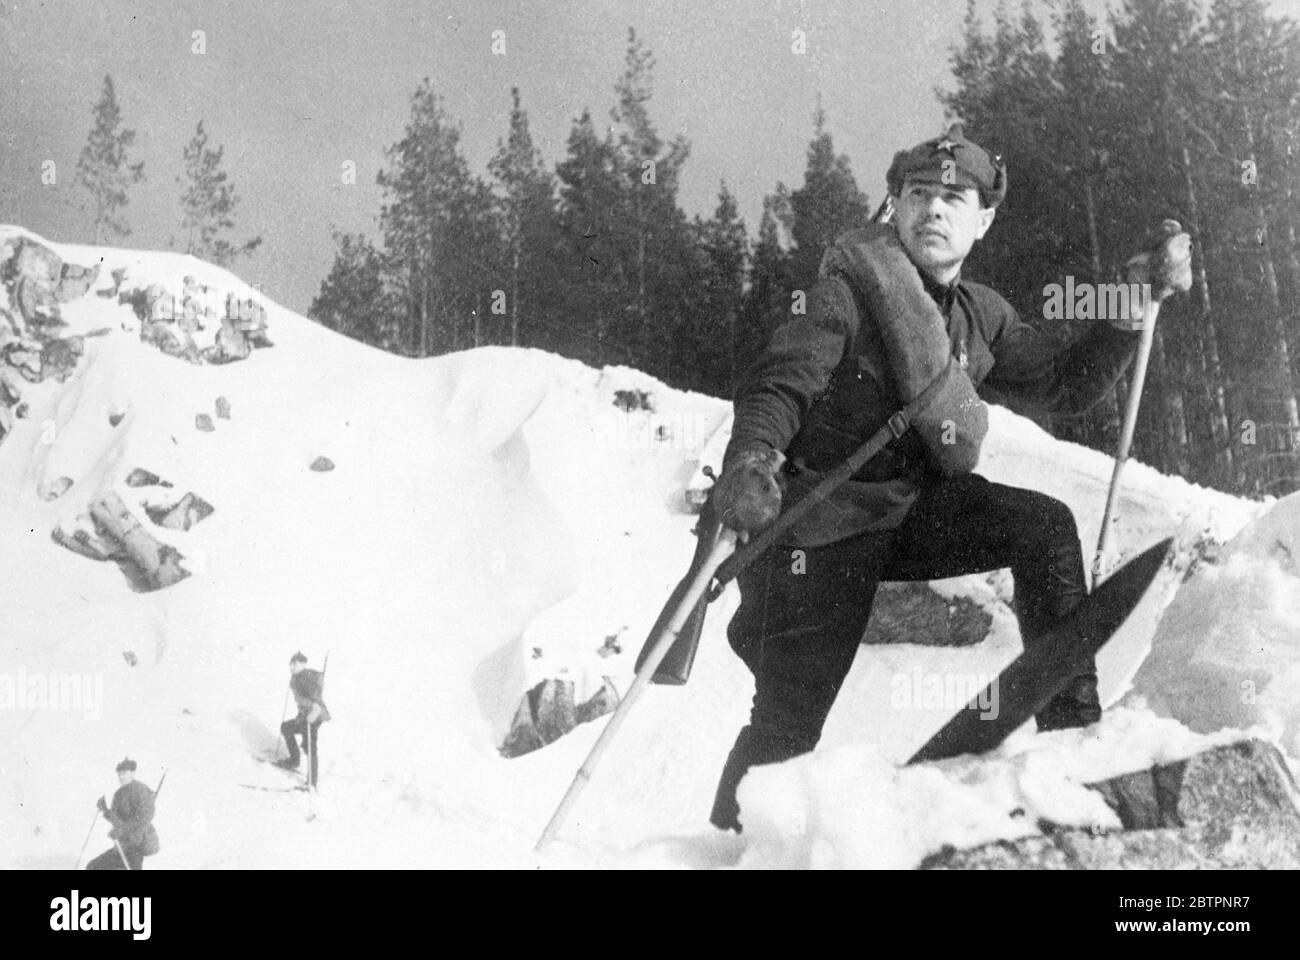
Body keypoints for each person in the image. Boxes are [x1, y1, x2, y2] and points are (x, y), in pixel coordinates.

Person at [707, 124, 1191, 832]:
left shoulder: (981, 314)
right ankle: (725, 847)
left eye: (954, 198)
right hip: (818, 529)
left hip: (911, 514)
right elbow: (780, 386)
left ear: (983, 220)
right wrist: (752, 462)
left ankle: (1076, 738)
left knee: (1043, 524)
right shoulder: (842, 293)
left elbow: (1063, 382)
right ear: (894, 207)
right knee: (787, 724)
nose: (934, 210)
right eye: (919, 195)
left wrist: (1131, 298)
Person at [86, 758, 158, 870]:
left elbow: (144, 817)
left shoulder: (141, 790)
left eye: (124, 773)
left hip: (136, 844)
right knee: (93, 867)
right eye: (119, 774)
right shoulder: (119, 794)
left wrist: (122, 830)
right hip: (122, 845)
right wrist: (105, 809)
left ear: (133, 773)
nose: (121, 777)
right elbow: (117, 820)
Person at [277, 651, 330, 787]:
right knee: (286, 727)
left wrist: (313, 713)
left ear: (302, 664)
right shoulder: (298, 677)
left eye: (293, 664)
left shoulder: (306, 678)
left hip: (314, 717)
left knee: (310, 746)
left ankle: (312, 782)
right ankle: (294, 760)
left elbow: (316, 702)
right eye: (290, 664)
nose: (291, 666)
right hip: (304, 716)